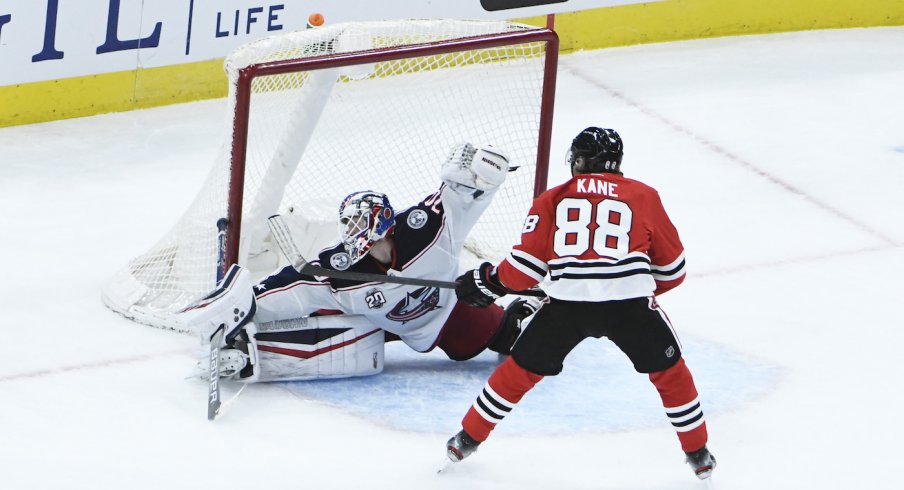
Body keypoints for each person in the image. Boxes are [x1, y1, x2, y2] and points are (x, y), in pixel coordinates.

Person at [444, 127, 717, 480]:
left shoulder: (553, 198)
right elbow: (673, 270)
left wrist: (488, 281)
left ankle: (466, 439)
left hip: (566, 307)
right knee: (670, 373)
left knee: (518, 372)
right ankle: (698, 453)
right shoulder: (644, 195)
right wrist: (632, 289)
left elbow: (523, 270)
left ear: (580, 161)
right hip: (629, 305)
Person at [180, 142, 538, 383]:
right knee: (333, 336)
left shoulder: (424, 228)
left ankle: (527, 311)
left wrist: (477, 176)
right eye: (348, 224)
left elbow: (458, 198)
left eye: (358, 221)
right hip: (380, 322)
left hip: (447, 312)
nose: (352, 231)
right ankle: (244, 351)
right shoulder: (342, 269)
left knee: (504, 337)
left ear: (382, 220)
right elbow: (297, 285)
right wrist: (248, 303)